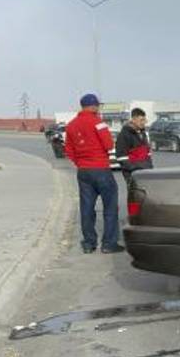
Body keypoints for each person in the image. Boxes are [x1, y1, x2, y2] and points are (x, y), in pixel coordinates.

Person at [64, 93, 123, 254]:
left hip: (83, 172)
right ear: (94, 106)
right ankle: (109, 244)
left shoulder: (71, 125)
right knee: (110, 207)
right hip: (101, 169)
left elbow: (68, 150)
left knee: (86, 208)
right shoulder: (98, 122)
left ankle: (89, 244)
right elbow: (109, 145)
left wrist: (80, 163)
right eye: (97, 105)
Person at [115, 107, 153, 184]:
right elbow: (121, 158)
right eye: (141, 120)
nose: (143, 122)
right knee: (136, 195)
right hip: (133, 175)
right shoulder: (124, 135)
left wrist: (149, 167)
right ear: (133, 120)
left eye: (144, 120)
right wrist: (137, 169)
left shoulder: (143, 133)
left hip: (146, 173)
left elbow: (147, 154)